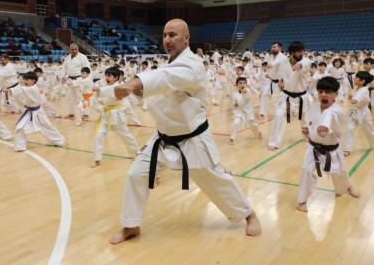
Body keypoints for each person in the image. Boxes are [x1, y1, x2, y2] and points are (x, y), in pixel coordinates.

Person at [108, 19, 261, 244]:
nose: (167, 40)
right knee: (135, 175)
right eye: (165, 35)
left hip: (192, 139)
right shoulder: (171, 63)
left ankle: (249, 214)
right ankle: (131, 225)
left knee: (216, 180)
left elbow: (165, 79)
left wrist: (133, 84)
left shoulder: (191, 64)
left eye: (173, 35)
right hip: (163, 137)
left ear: (186, 38)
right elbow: (162, 85)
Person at [297, 76, 360, 212]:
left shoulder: (336, 110)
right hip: (313, 147)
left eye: (328, 92)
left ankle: (347, 186)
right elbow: (309, 122)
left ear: (336, 94)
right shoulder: (314, 108)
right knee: (306, 171)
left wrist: (324, 127)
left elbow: (329, 115)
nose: (323, 95)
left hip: (332, 150)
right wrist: (307, 130)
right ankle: (302, 200)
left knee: (339, 172)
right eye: (320, 92)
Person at [5, 71, 66, 152]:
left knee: (47, 127)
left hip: (38, 112)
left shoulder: (34, 88)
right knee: (20, 127)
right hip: (29, 111)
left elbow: (21, 89)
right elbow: (23, 92)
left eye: (26, 79)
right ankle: (20, 146)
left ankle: (60, 140)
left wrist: (9, 90)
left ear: (33, 81)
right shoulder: (27, 88)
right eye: (24, 79)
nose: (24, 81)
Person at [267, 41, 311, 151]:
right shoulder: (284, 63)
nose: (301, 53)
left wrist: (299, 65)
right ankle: (274, 142)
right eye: (298, 51)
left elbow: (305, 64)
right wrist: (281, 81)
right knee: (278, 116)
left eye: (302, 51)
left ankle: (309, 137)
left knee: (306, 120)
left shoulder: (305, 61)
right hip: (286, 96)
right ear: (291, 53)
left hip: (302, 97)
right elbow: (281, 75)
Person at [91, 67, 138, 168]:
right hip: (105, 115)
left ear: (116, 77)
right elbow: (101, 98)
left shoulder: (120, 86)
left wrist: (99, 89)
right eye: (106, 75)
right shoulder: (105, 86)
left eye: (109, 76)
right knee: (98, 136)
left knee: (126, 136)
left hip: (116, 116)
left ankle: (137, 153)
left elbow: (112, 91)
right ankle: (97, 159)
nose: (106, 78)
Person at [343, 71, 374, 157]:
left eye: (356, 77)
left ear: (362, 81)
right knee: (349, 128)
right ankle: (347, 149)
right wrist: (352, 97)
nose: (354, 78)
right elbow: (356, 95)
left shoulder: (364, 90)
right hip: (355, 112)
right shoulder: (357, 88)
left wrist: (355, 99)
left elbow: (359, 96)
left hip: (364, 113)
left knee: (369, 129)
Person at [60, 43, 90, 118]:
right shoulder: (67, 58)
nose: (74, 51)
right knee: (70, 97)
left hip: (80, 79)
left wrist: (85, 79)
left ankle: (85, 113)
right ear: (70, 49)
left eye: (75, 49)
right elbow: (64, 68)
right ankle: (71, 113)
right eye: (72, 49)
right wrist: (63, 76)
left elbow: (87, 69)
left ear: (78, 49)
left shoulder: (82, 57)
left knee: (81, 96)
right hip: (70, 79)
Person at [230, 77, 262, 144]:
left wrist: (244, 93)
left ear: (246, 84)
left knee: (254, 125)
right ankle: (232, 138)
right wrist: (235, 105)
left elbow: (247, 98)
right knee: (235, 123)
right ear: (237, 85)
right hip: (239, 112)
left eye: (244, 83)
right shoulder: (235, 93)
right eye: (240, 83)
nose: (242, 85)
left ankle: (258, 133)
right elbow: (234, 104)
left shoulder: (248, 91)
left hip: (248, 112)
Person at [259, 42, 285, 119]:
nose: (272, 48)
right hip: (270, 80)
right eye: (272, 47)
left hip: (280, 81)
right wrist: (268, 74)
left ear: (279, 48)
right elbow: (269, 67)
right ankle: (262, 113)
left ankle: (283, 112)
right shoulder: (270, 57)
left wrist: (282, 81)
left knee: (281, 98)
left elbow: (278, 64)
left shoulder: (283, 57)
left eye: (275, 47)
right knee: (264, 94)